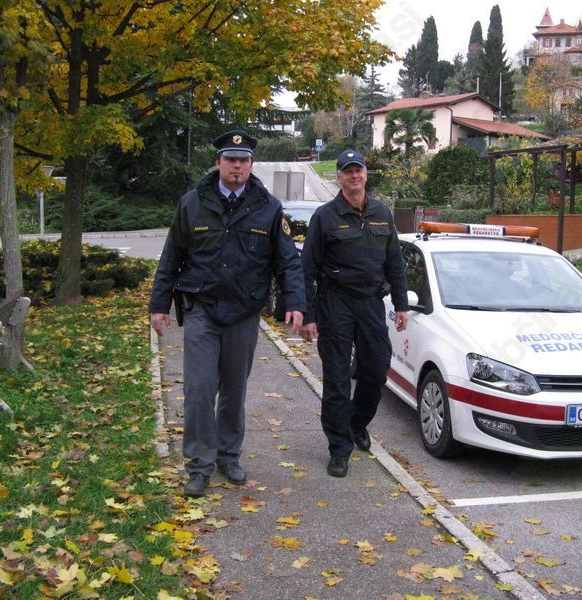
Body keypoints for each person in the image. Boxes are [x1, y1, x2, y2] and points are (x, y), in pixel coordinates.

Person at [149, 130, 305, 497]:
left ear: (251, 165)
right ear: (218, 162)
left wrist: (296, 303)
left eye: (243, 160)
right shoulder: (192, 203)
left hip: (243, 313)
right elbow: (171, 257)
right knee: (200, 390)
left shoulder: (268, 207)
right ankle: (199, 464)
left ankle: (228, 455)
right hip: (201, 309)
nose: (237, 165)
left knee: (234, 392)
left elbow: (287, 261)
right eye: (231, 159)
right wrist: (158, 305)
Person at [300, 149, 409, 478]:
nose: (354, 175)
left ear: (365, 174)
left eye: (358, 170)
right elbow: (307, 269)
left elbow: (395, 263)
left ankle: (356, 424)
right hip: (335, 303)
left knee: (376, 371)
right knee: (336, 379)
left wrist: (402, 305)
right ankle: (339, 448)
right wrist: (308, 315)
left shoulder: (381, 213)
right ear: (339, 178)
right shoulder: (325, 216)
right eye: (347, 171)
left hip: (371, 303)